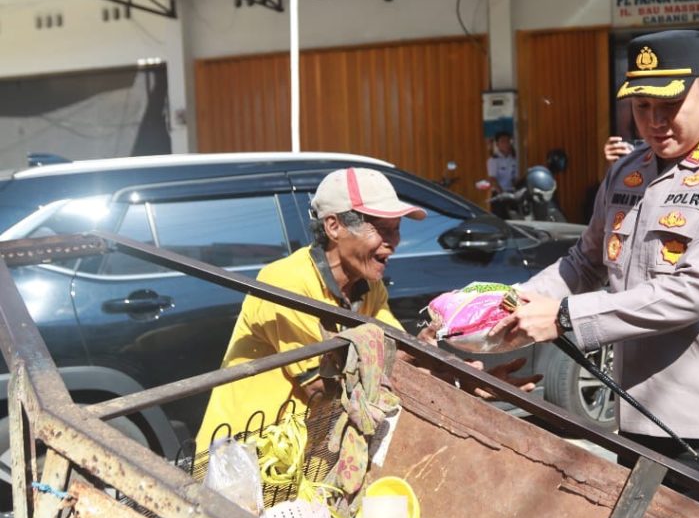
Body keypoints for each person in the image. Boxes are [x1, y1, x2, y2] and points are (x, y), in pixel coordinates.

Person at [490, 29, 699, 518]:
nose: (654, 121)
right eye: (642, 105)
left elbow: (690, 292)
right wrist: (512, 303)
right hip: (640, 422)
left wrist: (561, 318)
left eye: (669, 103)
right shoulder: (627, 174)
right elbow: (584, 262)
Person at [197, 167, 539, 451]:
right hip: (247, 457)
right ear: (334, 226)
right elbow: (324, 387)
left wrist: (461, 378)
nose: (394, 242)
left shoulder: (368, 288)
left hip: (303, 454)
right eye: (382, 229)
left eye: (397, 230)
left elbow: (397, 352)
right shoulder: (286, 281)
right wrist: (440, 377)